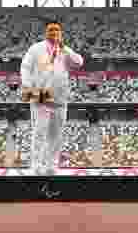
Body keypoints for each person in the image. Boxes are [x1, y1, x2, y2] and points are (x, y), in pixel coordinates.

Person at [20, 20, 83, 175]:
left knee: (56, 134)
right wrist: (28, 87)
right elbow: (25, 67)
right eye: (51, 31)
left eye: (57, 31)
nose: (54, 33)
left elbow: (79, 62)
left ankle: (51, 165)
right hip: (41, 94)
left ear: (60, 34)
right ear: (46, 33)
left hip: (60, 96)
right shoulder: (36, 49)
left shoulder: (65, 51)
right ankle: (36, 165)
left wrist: (64, 48)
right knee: (39, 132)